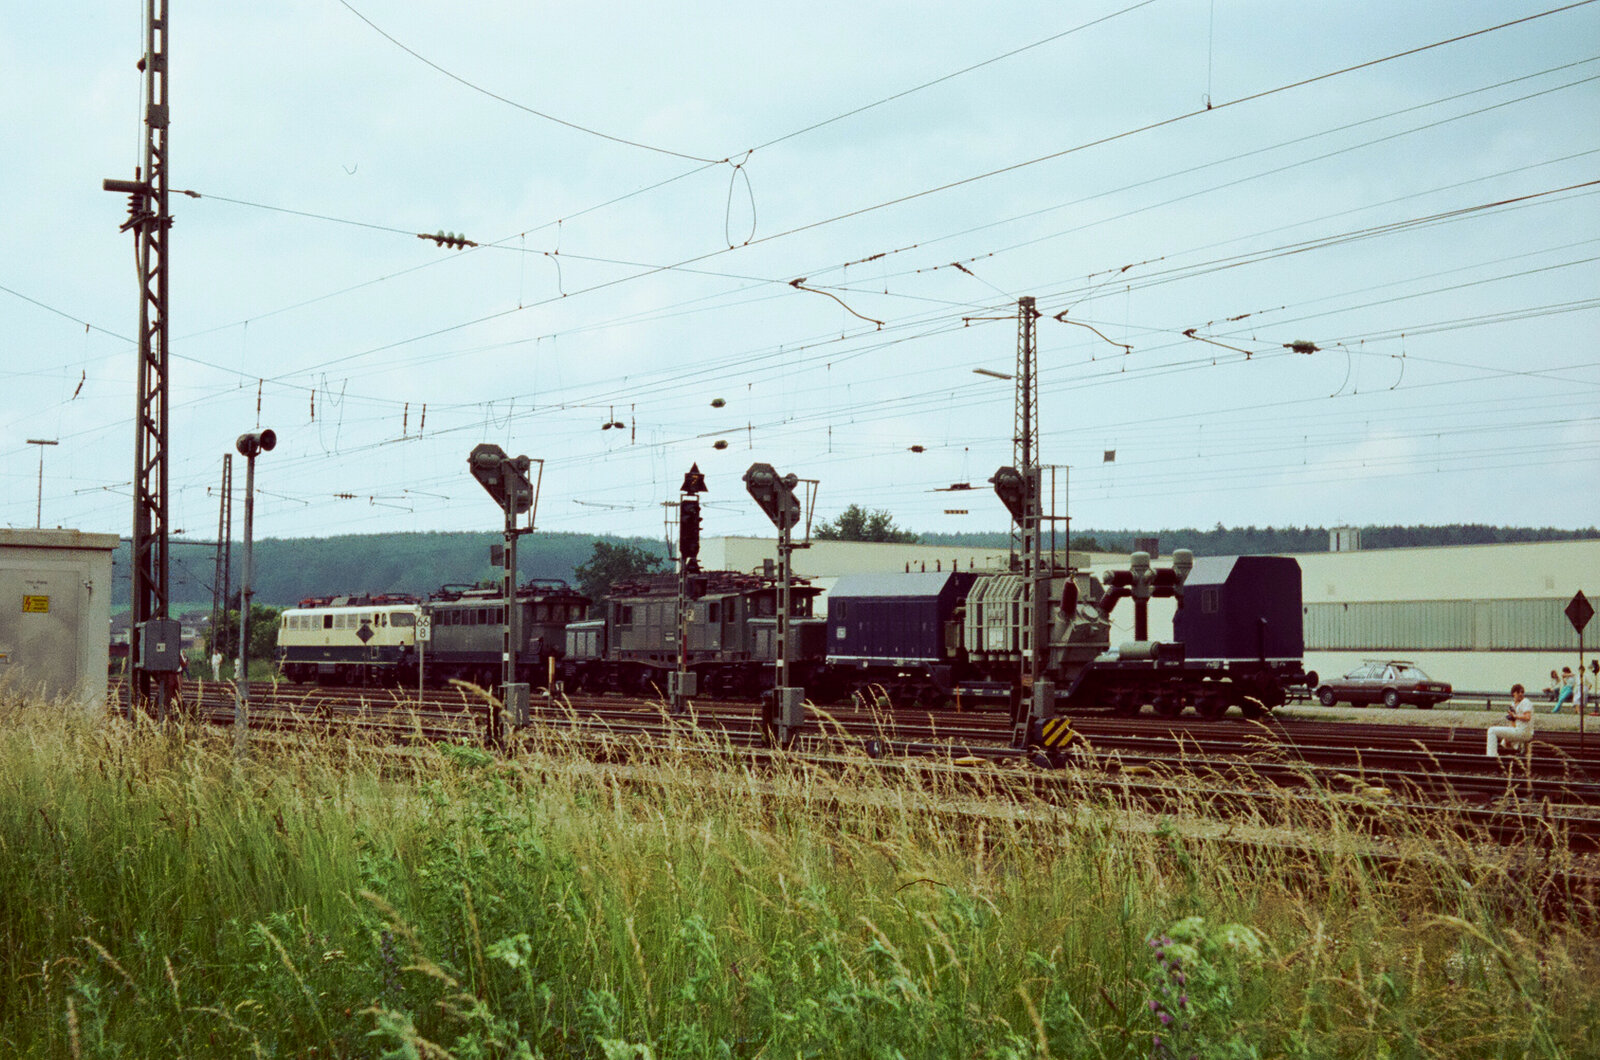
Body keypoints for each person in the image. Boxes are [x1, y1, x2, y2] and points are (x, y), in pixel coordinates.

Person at [1487, 683, 1534, 757]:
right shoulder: (1513, 705)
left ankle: (1491, 756)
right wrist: (1508, 736)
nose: (1520, 694)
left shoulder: (1525, 702)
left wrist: (1515, 716)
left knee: (1491, 730)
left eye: (1522, 692)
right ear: (1513, 694)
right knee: (1498, 735)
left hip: (1524, 731)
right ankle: (1520, 749)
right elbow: (1513, 721)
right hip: (1518, 731)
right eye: (1518, 692)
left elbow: (1527, 717)